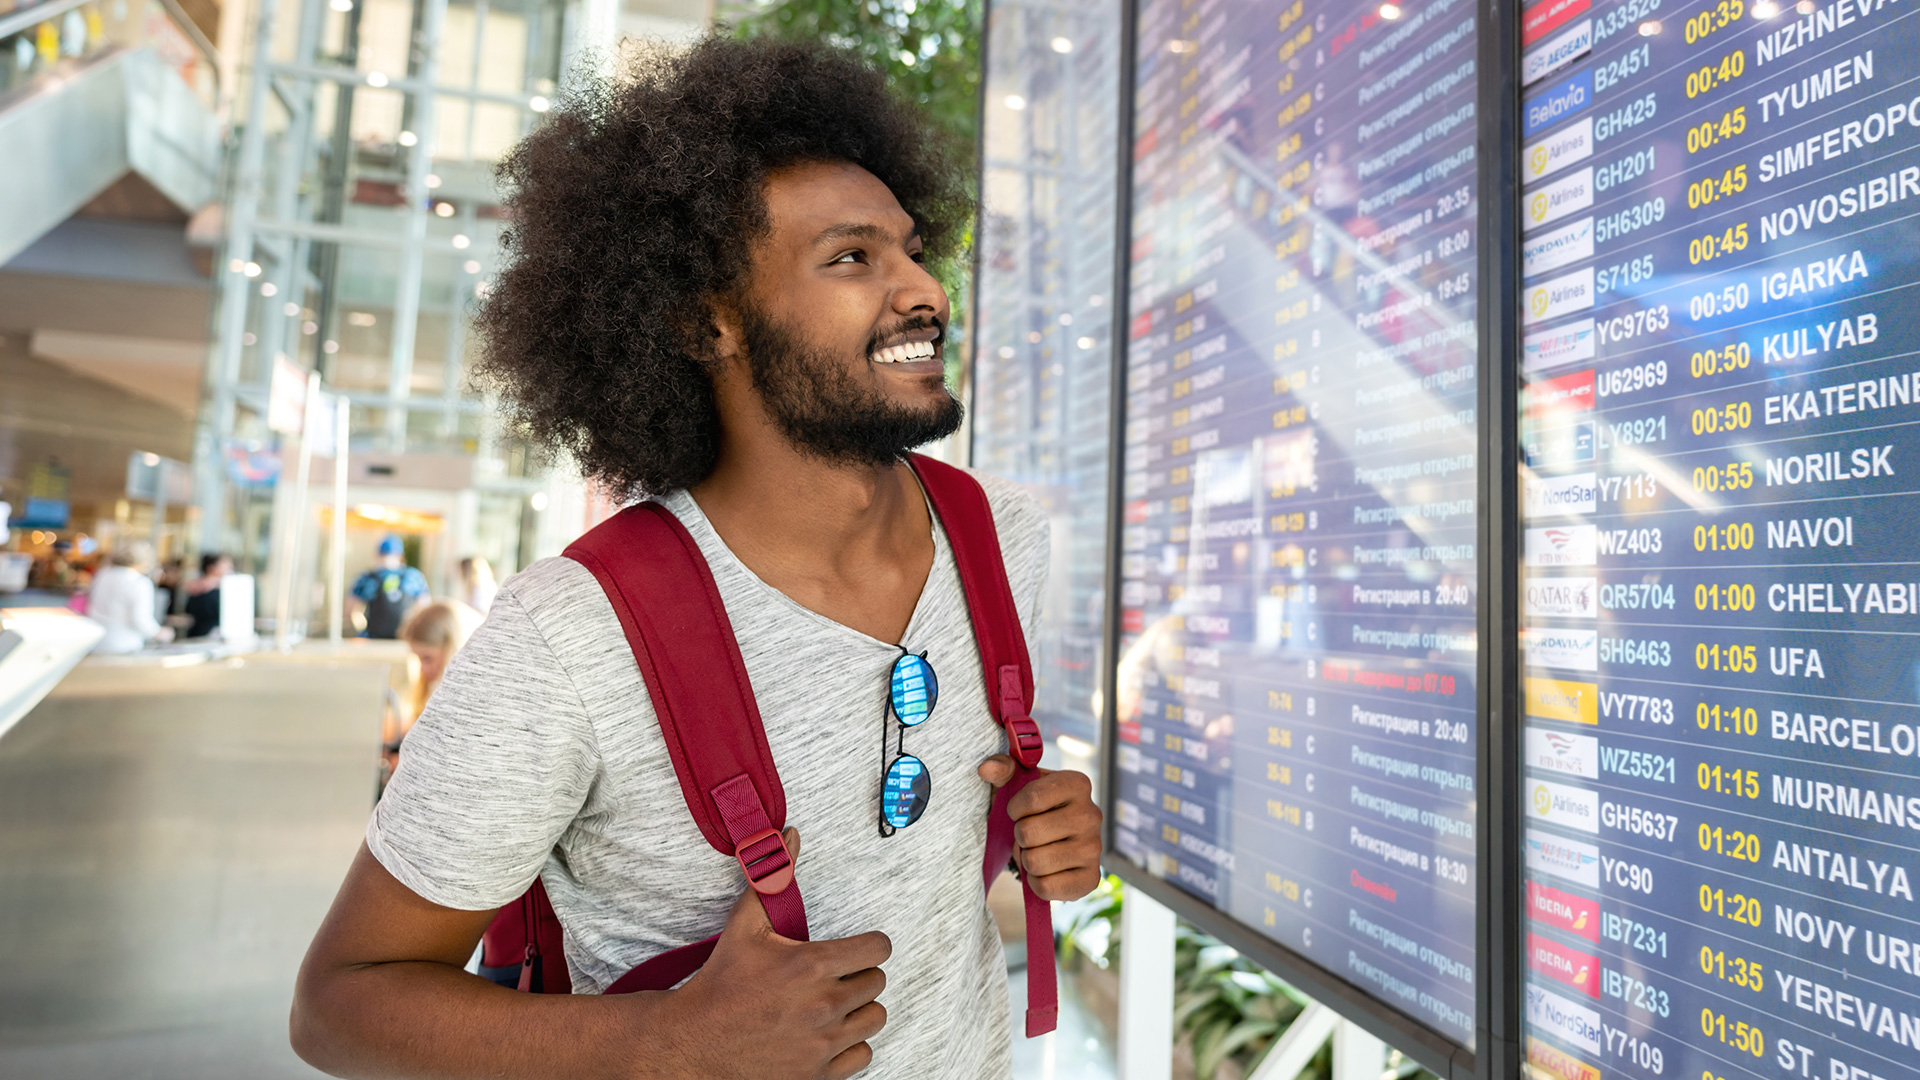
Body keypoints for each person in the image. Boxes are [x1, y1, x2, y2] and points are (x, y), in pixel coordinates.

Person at [291, 37, 1102, 1080]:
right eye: (852, 258)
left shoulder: (1002, 540)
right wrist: (670, 1041)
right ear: (707, 323)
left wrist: (1040, 833)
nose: (921, 289)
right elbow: (337, 1005)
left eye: (909, 248)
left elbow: (925, 862)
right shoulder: (573, 641)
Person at [383, 600, 483, 768]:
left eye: (428, 658)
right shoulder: (435, 686)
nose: (422, 669)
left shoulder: (470, 701)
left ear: (453, 650)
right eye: (418, 658)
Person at [86, 541, 173, 654]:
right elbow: (140, 620)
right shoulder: (139, 582)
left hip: (97, 643)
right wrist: (159, 633)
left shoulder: (102, 575)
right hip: (125, 645)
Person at [350, 535, 429, 639]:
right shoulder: (413, 576)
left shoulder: (367, 578)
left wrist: (361, 631)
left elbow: (352, 610)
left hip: (373, 638)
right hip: (404, 638)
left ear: (377, 554)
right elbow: (424, 606)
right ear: (401, 556)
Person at [183, 553, 232, 639]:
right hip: (203, 633)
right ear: (211, 568)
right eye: (226, 566)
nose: (229, 569)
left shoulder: (226, 587)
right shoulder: (197, 587)